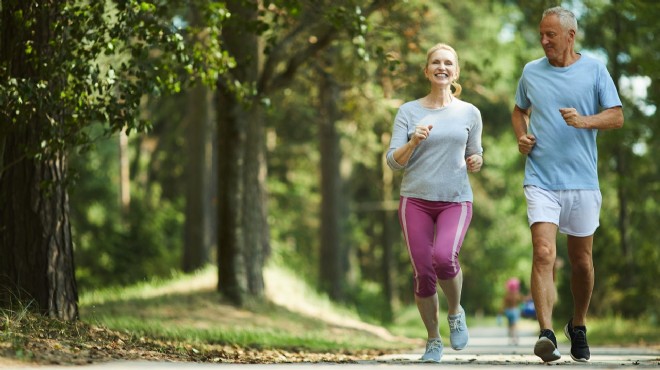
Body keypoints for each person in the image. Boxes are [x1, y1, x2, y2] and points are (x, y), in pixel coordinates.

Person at [511, 6, 624, 363]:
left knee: (581, 262)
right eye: (541, 34)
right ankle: (545, 333)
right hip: (541, 177)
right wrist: (522, 137)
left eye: (550, 35)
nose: (543, 40)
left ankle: (578, 324)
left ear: (570, 36)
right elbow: (519, 110)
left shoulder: (594, 69)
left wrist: (585, 120)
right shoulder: (531, 71)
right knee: (544, 253)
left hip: (582, 181)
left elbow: (617, 116)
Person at [386, 42, 483, 363]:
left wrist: (476, 161)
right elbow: (393, 161)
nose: (442, 67)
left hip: (455, 200)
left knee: (444, 258)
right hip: (415, 200)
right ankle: (433, 340)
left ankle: (455, 312)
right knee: (423, 272)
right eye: (436, 62)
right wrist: (413, 141)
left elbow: (475, 151)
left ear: (455, 71)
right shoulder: (408, 111)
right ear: (426, 70)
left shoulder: (469, 112)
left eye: (448, 63)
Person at [501, 278, 524, 345]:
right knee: (515, 325)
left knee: (509, 325)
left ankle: (510, 338)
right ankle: (515, 337)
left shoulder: (507, 295)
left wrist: (501, 312)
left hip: (508, 311)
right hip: (515, 311)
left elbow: (504, 304)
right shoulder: (517, 295)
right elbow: (522, 300)